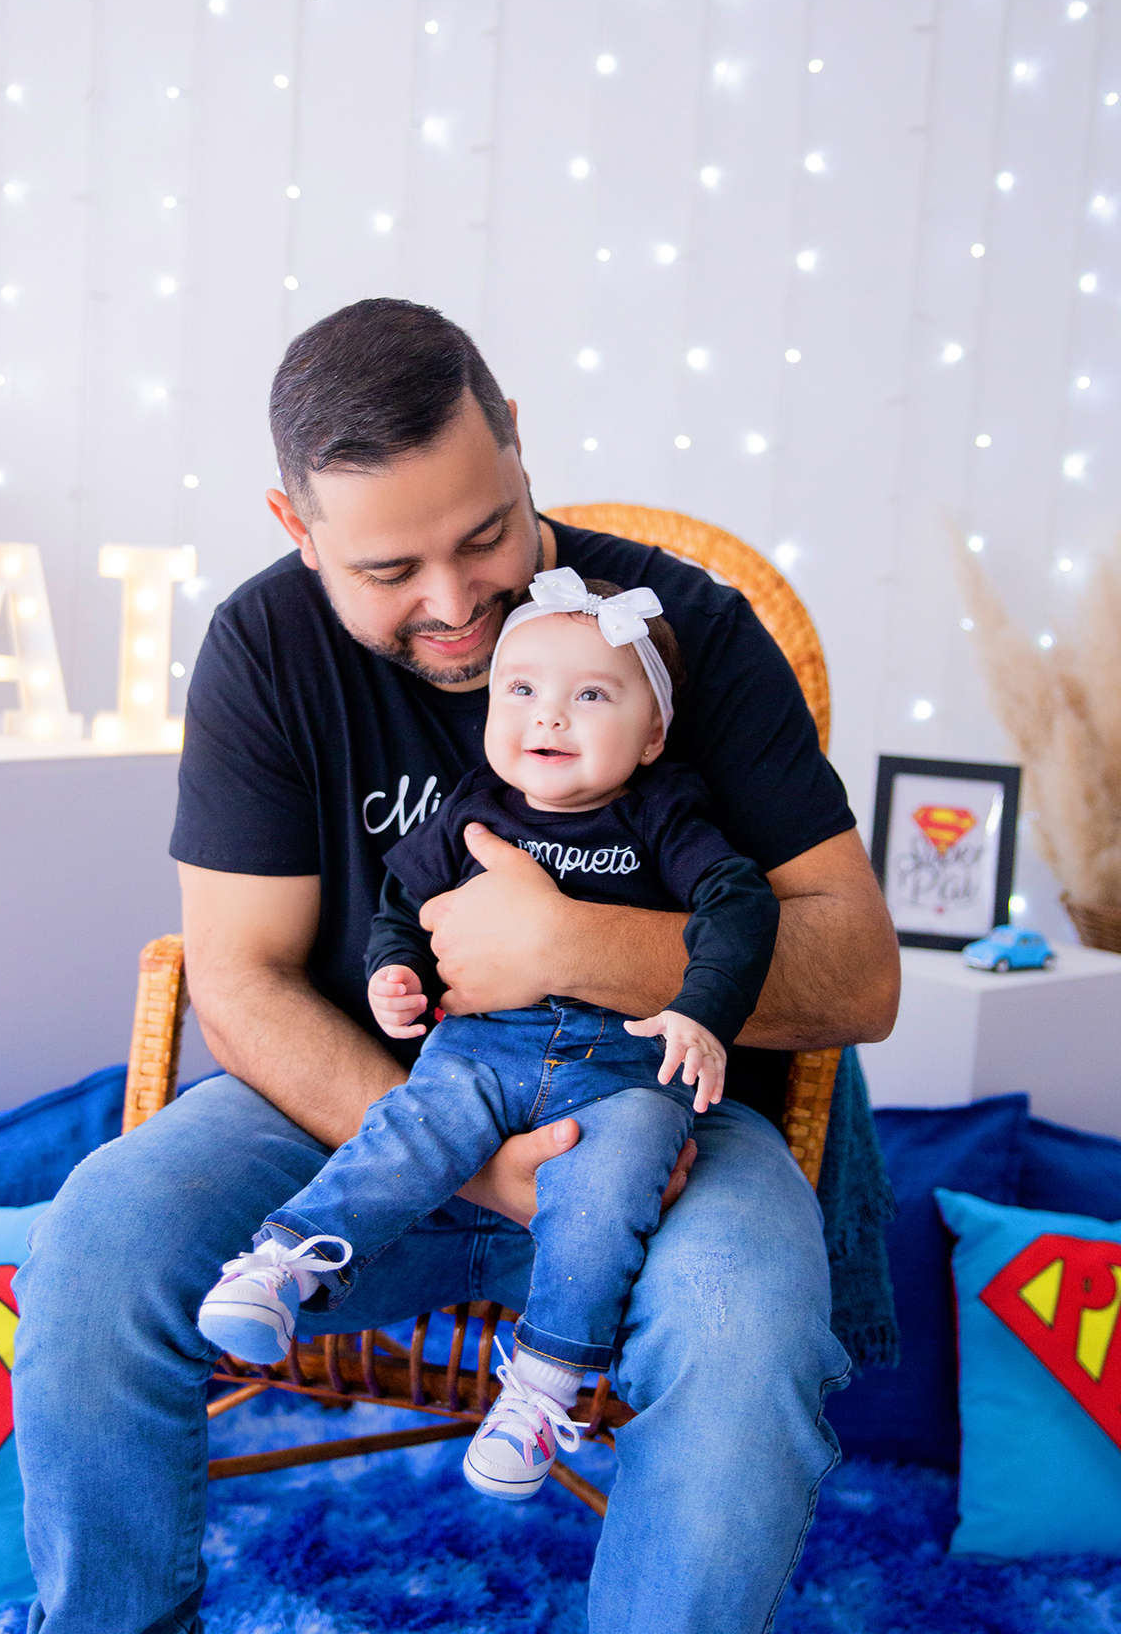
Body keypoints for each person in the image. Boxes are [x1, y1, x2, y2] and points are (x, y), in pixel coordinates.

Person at [12, 297, 900, 1634]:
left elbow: (860, 974)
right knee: (94, 1246)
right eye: (387, 572)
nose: (455, 605)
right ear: (295, 526)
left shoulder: (681, 634)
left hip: (665, 1131)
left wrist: (574, 944)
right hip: (361, 1121)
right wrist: (468, 1161)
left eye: (484, 535)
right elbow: (242, 976)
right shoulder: (267, 649)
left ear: (516, 441)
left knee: (749, 1330)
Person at [196, 568, 782, 1503]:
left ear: (652, 734)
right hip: (485, 1048)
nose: (549, 716)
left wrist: (704, 1010)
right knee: (412, 1126)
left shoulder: (663, 812)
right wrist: (400, 971)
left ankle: (544, 1387)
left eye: (591, 695)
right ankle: (288, 1261)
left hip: (622, 1069)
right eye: (523, 691)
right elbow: (404, 901)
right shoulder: (475, 806)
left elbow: (739, 905)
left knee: (608, 1192)